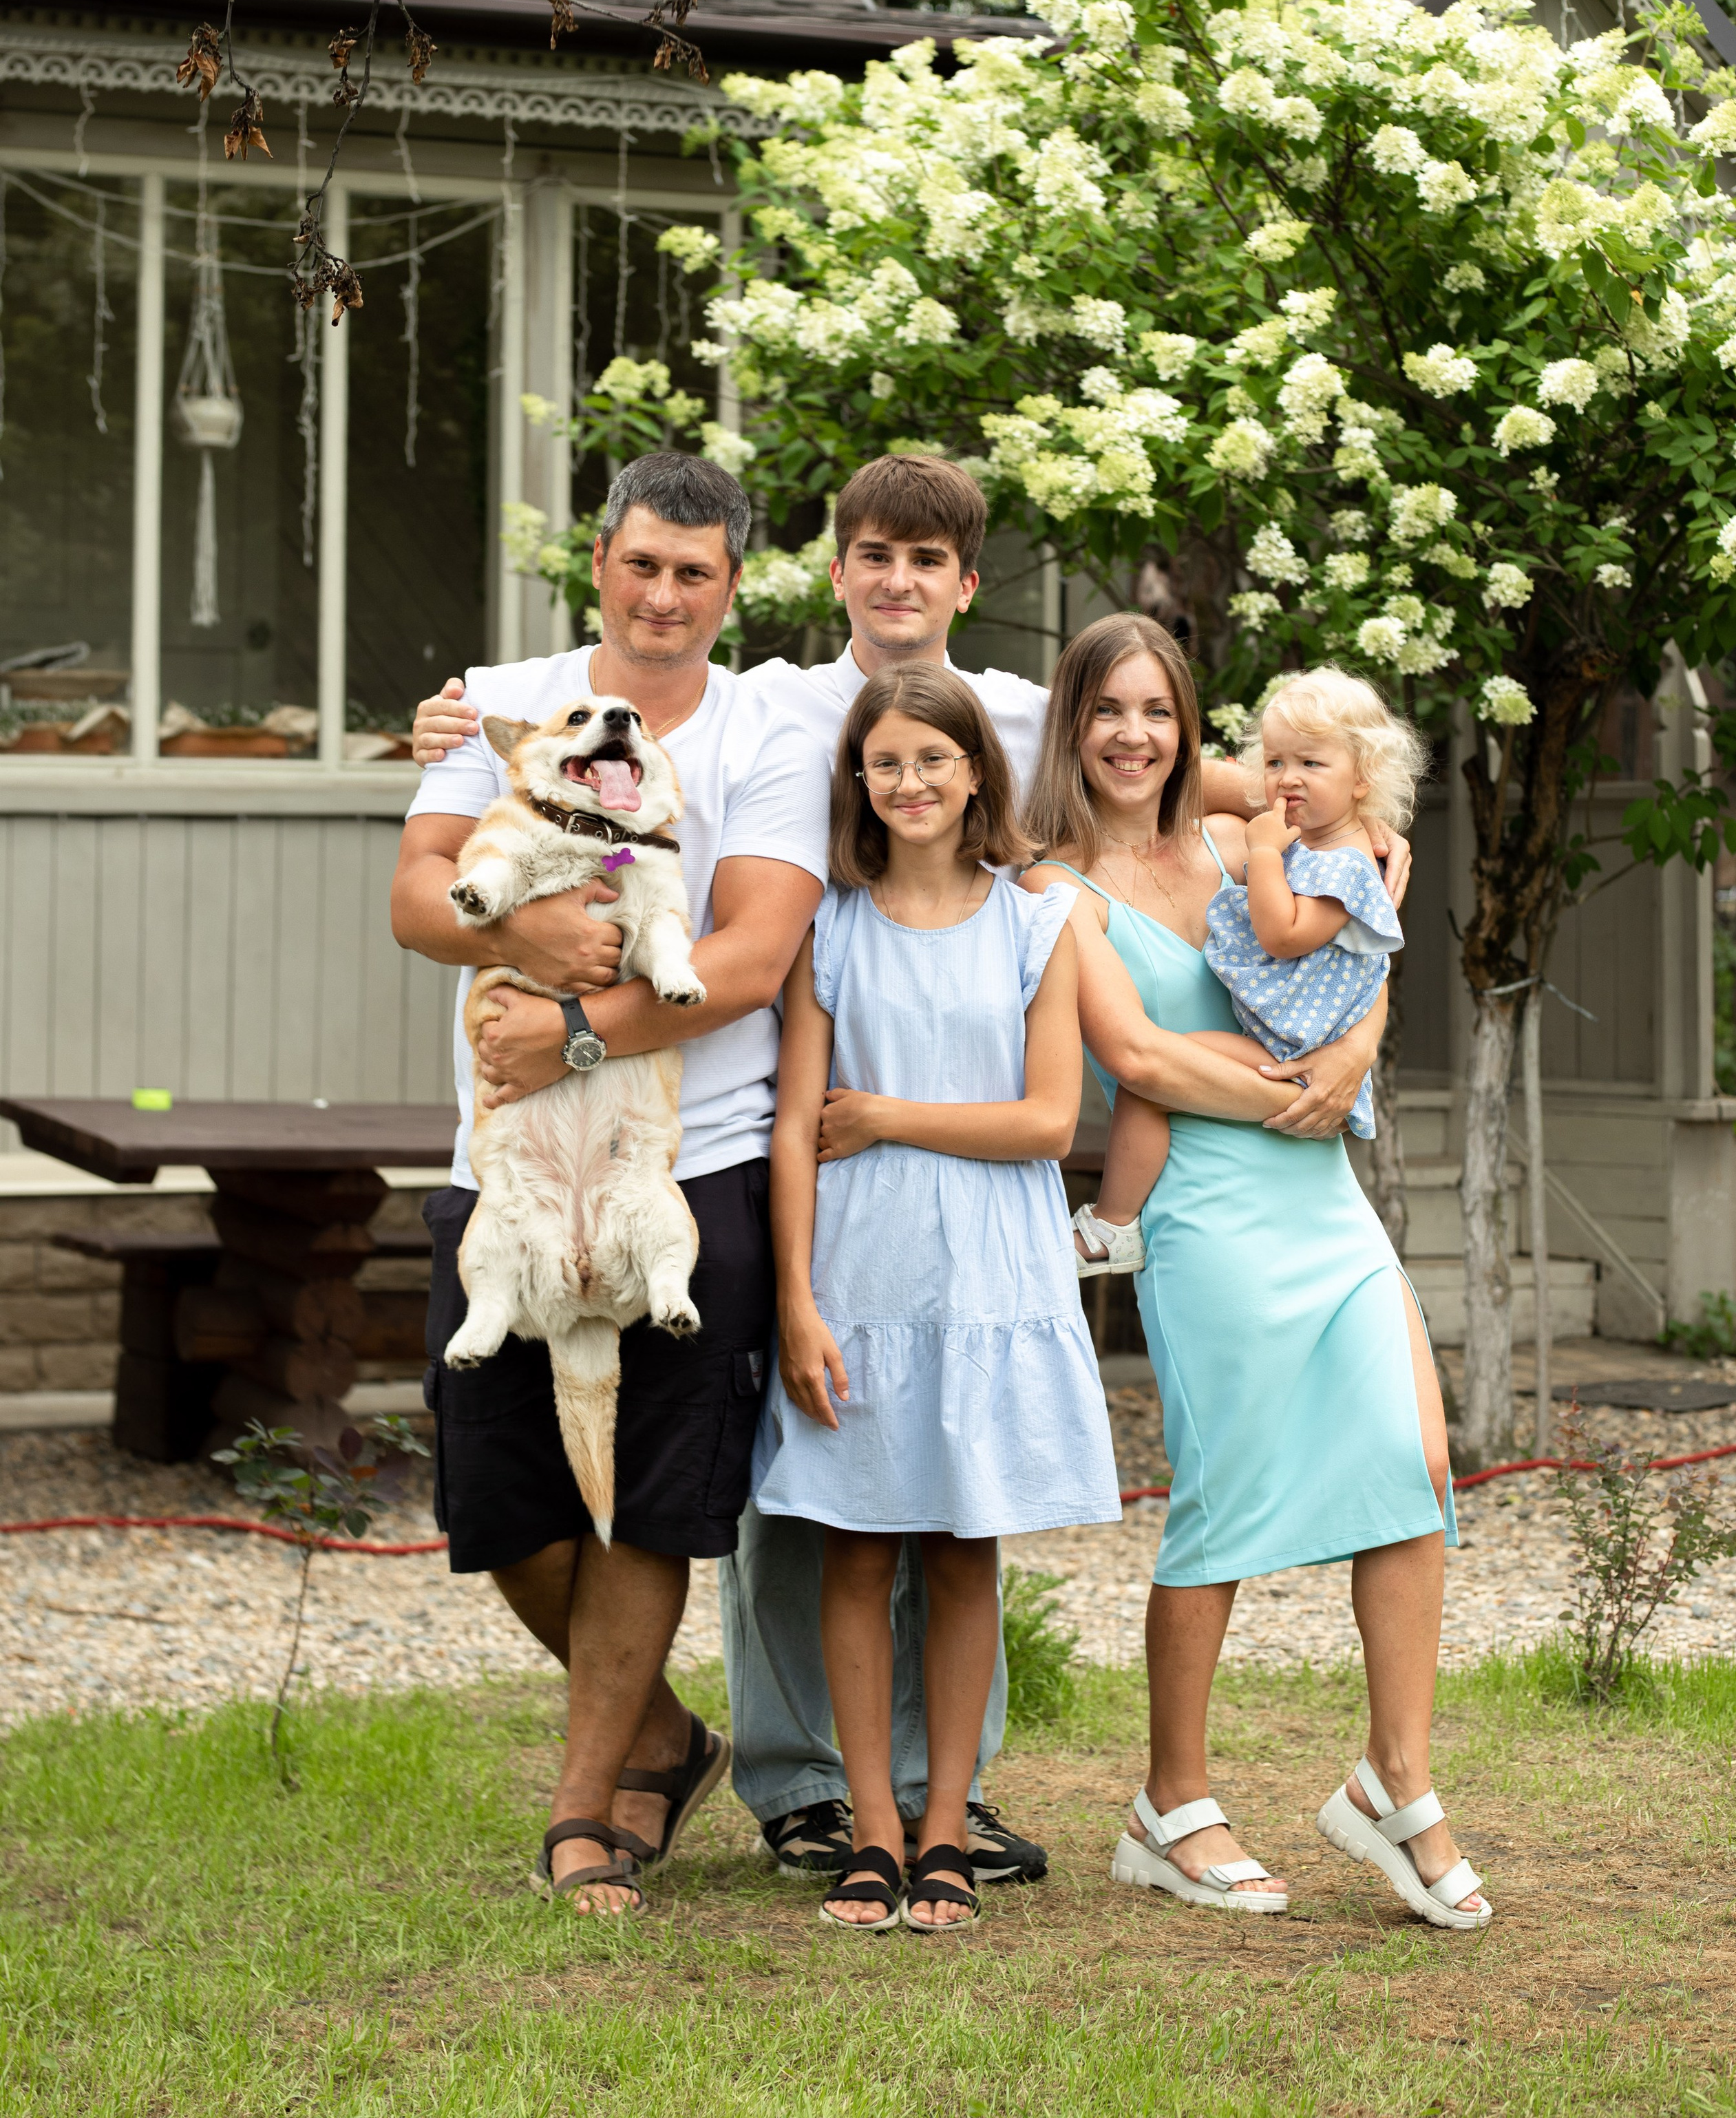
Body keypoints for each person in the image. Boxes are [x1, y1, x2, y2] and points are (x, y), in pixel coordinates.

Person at [410, 451, 1406, 1887]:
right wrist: (444, 720)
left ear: (962, 585)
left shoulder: (1020, 713)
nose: (897, 583)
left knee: (950, 1489)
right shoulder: (768, 703)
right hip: (788, 1124)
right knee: (795, 1499)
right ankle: (797, 1778)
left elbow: (1193, 766)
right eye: (872, 556)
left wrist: (1356, 842)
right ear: (830, 575)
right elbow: (517, 765)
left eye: (926, 563)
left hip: (871, 1145)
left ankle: (946, 1794)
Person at [390, 451, 830, 1918]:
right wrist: (523, 951)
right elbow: (419, 894)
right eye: (641, 565)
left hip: (680, 1164)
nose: (662, 596)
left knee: (646, 1500)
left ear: (730, 585)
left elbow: (753, 955)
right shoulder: (503, 699)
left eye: (693, 574)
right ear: (600, 562)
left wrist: (577, 1028)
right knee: (503, 1499)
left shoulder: (763, 728)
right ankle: (654, 1733)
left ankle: (590, 1815)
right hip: (507, 1164)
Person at [1022, 613, 1490, 1930]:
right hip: (1205, 1210)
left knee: (1418, 1460)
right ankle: (1172, 1804)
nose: (1132, 735)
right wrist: (1311, 1079)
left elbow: (1363, 941)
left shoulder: (1246, 840)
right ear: (1073, 727)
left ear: (1188, 730)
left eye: (1158, 711)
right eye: (1106, 711)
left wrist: (1363, 1046)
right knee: (1223, 1499)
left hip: (1321, 1195)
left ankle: (1395, 1781)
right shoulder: (1055, 889)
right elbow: (1148, 1064)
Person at [756, 666, 1119, 1934]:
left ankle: (950, 1827)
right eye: (885, 763)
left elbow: (1048, 1121)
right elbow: (800, 1123)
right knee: (853, 1557)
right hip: (860, 1275)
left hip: (989, 1274)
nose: (910, 783)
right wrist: (796, 1302)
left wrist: (893, 1116)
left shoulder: (1037, 924)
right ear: (859, 783)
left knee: (966, 1555)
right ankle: (868, 1829)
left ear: (978, 773)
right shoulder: (831, 932)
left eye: (933, 759)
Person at [1075, 665, 1416, 1270]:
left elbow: (1284, 937)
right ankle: (1116, 1222)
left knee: (1148, 1086)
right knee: (1150, 1077)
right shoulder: (1317, 847)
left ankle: (1113, 1223)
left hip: (1291, 1049)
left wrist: (1262, 851)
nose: (1288, 780)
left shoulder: (1340, 864)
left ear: (1363, 778)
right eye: (1277, 763)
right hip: (1285, 1053)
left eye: (1311, 765)